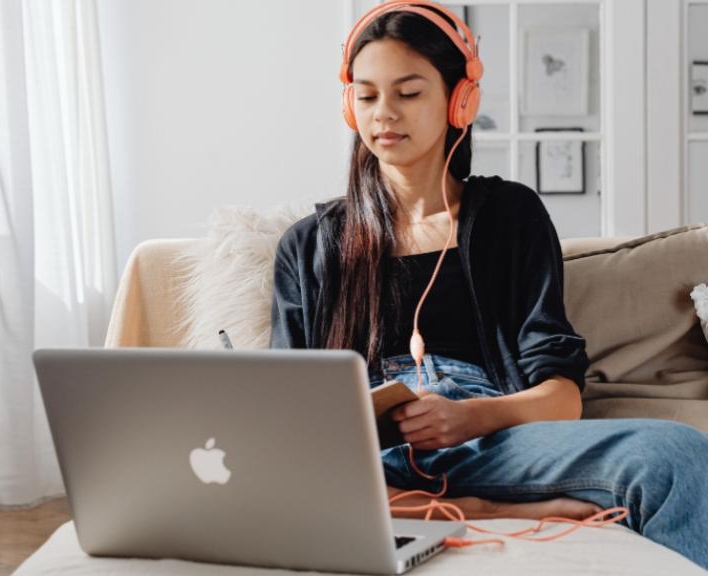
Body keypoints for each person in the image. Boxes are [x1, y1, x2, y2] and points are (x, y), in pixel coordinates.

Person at [268, 1, 708, 568]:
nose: (384, 114)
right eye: (367, 94)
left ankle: (454, 499)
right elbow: (286, 414)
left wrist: (470, 417)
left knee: (674, 453)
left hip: (493, 441)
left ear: (459, 101)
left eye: (408, 92)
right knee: (269, 474)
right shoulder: (309, 245)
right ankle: (479, 509)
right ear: (349, 106)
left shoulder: (510, 215)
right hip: (361, 460)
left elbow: (562, 396)